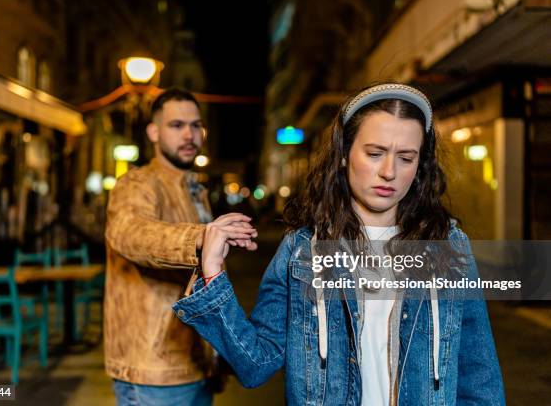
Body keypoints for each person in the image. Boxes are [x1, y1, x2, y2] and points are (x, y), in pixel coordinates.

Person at [173, 83, 505, 405]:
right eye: (375, 153)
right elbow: (255, 364)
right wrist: (213, 274)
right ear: (344, 154)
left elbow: (478, 375)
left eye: (406, 158)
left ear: (420, 167)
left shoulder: (447, 245)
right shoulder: (303, 250)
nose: (389, 171)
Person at [104, 88, 256, 405]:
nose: (189, 134)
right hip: (152, 373)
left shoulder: (194, 190)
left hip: (195, 366)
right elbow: (131, 233)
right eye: (177, 125)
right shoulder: (137, 183)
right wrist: (200, 236)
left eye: (195, 125)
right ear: (154, 132)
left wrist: (217, 356)